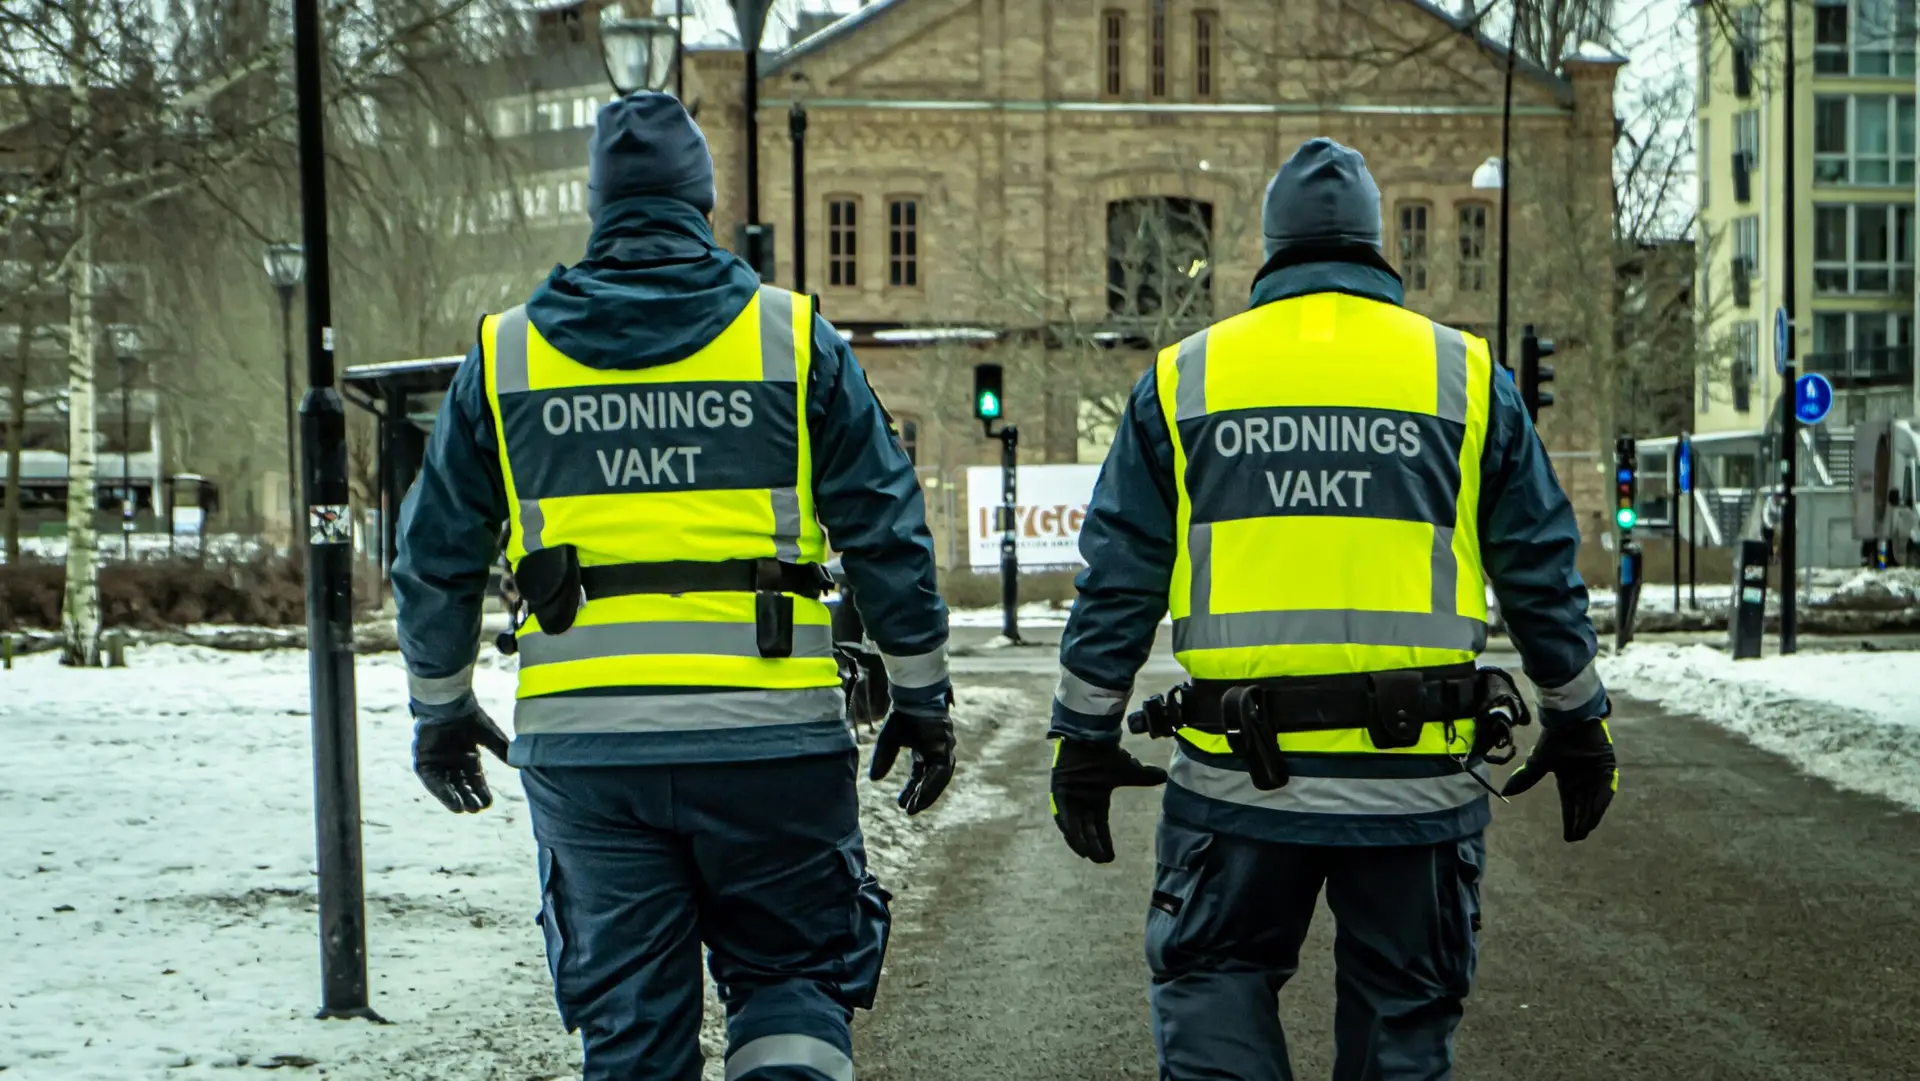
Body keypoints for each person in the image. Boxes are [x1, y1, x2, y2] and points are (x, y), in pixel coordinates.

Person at [392, 92, 955, 1081]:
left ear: (597, 207)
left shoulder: (507, 355)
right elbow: (885, 526)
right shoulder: (792, 340)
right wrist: (920, 693)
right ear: (703, 202)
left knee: (632, 1035)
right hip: (771, 741)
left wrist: (441, 709)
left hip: (591, 753)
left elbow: (435, 554)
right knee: (792, 986)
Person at [1044, 138, 1618, 1081]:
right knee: (1403, 1021)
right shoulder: (1466, 377)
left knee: (1214, 982)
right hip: (1418, 782)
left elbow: (1120, 575)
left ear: (1270, 248)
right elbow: (1537, 566)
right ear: (1377, 244)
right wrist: (1579, 716)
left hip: (1236, 783)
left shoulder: (1187, 378)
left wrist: (1084, 734)